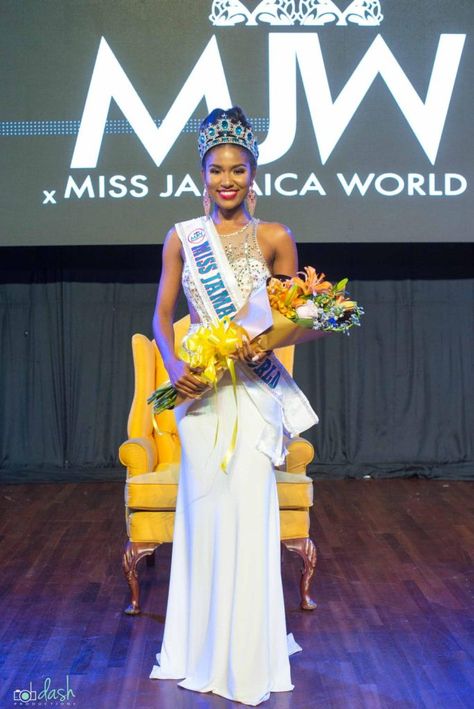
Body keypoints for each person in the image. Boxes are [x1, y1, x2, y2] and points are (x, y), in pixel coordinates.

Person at [149, 106, 318, 706]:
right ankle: (200, 643)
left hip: (252, 392)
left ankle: (248, 652)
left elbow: (297, 320)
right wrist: (173, 368)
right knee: (207, 517)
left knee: (248, 512)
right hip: (199, 396)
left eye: (238, 170)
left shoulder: (276, 237)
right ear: (202, 173)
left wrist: (264, 339)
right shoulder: (181, 238)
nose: (228, 180)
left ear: (253, 174)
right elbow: (162, 314)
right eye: (217, 169)